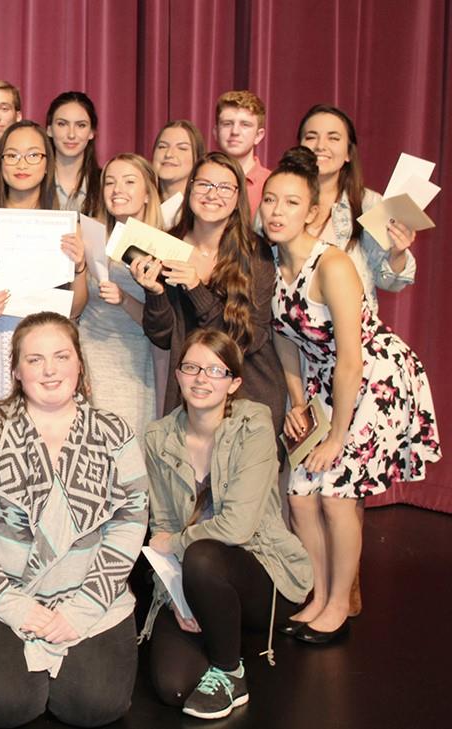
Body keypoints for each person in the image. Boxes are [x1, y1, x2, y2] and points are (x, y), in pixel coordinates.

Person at [0, 312, 147, 729]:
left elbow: (131, 519)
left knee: (95, 707)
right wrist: (10, 603)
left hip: (88, 595)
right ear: (16, 371)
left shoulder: (113, 431)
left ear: (79, 363)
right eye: (35, 360)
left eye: (61, 356)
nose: (50, 370)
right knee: (7, 706)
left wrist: (84, 608)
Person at [266, 147, 440, 642]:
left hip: (374, 376)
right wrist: (298, 402)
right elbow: (284, 337)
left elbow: (351, 358)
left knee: (337, 494)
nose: (277, 211)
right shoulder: (275, 263)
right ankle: (319, 594)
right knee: (300, 494)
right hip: (323, 380)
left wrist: (337, 436)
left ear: (312, 213)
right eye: (270, 200)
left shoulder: (333, 263)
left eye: (291, 202)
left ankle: (340, 604)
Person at [142, 328, 312, 720]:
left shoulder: (254, 426)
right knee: (173, 686)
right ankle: (213, 627)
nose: (201, 378)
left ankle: (229, 671)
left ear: (234, 383)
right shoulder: (158, 436)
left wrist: (175, 544)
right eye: (191, 367)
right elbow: (162, 525)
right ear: (178, 375)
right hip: (191, 577)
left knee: (202, 555)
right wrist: (175, 597)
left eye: (216, 370)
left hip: (261, 574)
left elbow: (235, 528)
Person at [133, 152, 286, 431]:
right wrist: (154, 293)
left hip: (249, 396)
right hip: (192, 398)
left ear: (238, 196)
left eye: (224, 187)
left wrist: (196, 289)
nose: (212, 194)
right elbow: (163, 336)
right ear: (190, 188)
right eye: (204, 184)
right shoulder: (168, 244)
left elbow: (250, 339)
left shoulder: (255, 252)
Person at [0, 120, 88, 416]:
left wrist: (80, 267)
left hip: (47, 350)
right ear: (0, 162)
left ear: (47, 163)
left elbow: (76, 307)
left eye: (32, 155)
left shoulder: (67, 227)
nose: (21, 164)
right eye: (12, 155)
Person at [295, 104, 417, 312]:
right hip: (287, 326)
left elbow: (390, 281)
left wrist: (397, 253)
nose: (320, 145)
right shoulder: (277, 199)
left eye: (333, 138)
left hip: (348, 326)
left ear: (348, 153)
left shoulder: (368, 203)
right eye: (311, 137)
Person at [78, 154, 163, 438]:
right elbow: (75, 308)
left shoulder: (162, 245)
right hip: (88, 352)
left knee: (126, 443)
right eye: (110, 182)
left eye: (129, 182)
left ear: (148, 193)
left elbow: (161, 323)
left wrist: (125, 299)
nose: (117, 190)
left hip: (134, 361)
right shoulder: (90, 234)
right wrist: (78, 267)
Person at [45, 91, 102, 216]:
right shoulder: (34, 181)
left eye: (81, 125)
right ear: (49, 130)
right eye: (62, 124)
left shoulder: (105, 184)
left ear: (91, 132)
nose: (71, 134)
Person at [213, 91, 270, 209]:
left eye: (245, 125)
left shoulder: (272, 183)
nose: (235, 132)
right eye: (227, 124)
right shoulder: (202, 181)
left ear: (258, 136)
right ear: (215, 132)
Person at [151, 120, 204, 227]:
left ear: (198, 158)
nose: (169, 154)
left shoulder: (202, 210)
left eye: (182, 148)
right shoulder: (140, 202)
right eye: (162, 147)